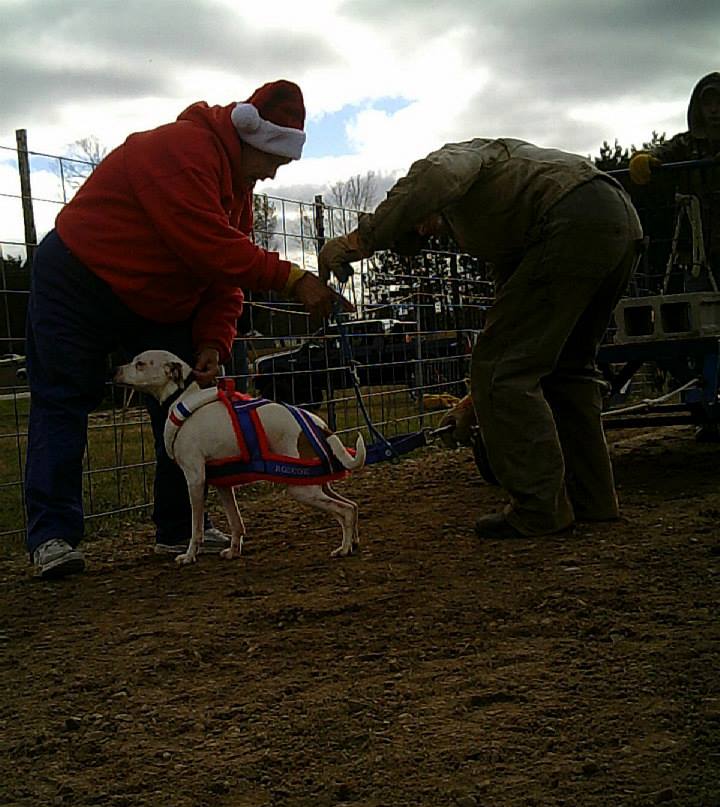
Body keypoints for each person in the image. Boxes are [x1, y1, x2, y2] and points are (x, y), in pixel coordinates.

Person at [26, 79, 343, 578]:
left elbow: (225, 272)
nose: (274, 173)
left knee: (195, 396)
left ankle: (178, 527)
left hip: (158, 300)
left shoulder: (236, 193)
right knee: (63, 398)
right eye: (274, 161)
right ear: (252, 139)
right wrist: (292, 277)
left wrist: (215, 341)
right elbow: (206, 243)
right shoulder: (180, 149)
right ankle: (53, 536)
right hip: (80, 279)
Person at [319, 138, 643, 539]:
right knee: (567, 368)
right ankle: (593, 500)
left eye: (417, 222)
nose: (423, 230)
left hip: (572, 216)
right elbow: (515, 325)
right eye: (417, 235)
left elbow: (435, 175)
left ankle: (539, 507)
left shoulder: (455, 161)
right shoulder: (500, 212)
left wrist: (361, 240)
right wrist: (477, 404)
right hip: (615, 218)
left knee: (503, 370)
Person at [629, 72, 720, 293]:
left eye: (719, 102)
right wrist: (644, 159)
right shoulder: (685, 144)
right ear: (698, 108)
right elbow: (661, 154)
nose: (715, 109)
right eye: (708, 103)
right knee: (702, 319)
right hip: (698, 252)